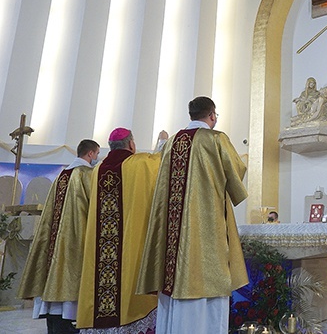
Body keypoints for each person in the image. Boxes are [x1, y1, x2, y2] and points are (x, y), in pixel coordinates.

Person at [137, 96, 249, 334]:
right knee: (207, 283)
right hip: (205, 229)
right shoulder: (216, 139)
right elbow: (236, 172)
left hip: (171, 238)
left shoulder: (171, 143)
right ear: (212, 115)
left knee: (174, 287)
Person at [76, 128, 167, 333]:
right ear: (131, 144)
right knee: (128, 278)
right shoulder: (139, 163)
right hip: (128, 241)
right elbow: (161, 163)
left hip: (103, 248)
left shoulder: (98, 170)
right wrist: (162, 142)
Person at [17, 139, 100, 334]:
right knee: (69, 299)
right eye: (96, 154)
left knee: (54, 309)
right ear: (90, 154)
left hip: (54, 243)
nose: (97, 158)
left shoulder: (61, 175)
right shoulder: (86, 175)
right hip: (74, 242)